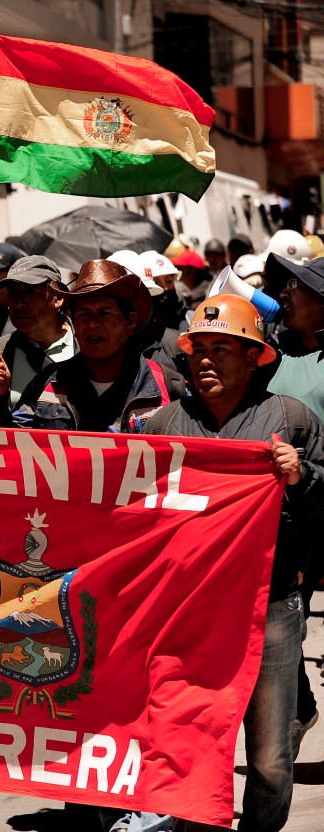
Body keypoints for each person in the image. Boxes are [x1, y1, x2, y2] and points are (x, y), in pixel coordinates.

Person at [105, 294, 324, 832]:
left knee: (270, 756)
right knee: (191, 743)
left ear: (253, 357)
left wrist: (303, 478)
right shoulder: (162, 429)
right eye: (197, 349)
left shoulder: (292, 421)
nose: (204, 359)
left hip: (270, 610)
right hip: (186, 614)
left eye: (221, 348)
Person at [0, 260, 184, 432]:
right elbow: (9, 451)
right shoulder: (45, 386)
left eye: (105, 313)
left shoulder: (169, 386)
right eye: (84, 314)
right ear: (73, 321)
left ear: (130, 322)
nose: (92, 324)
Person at [264, 253, 324, 750]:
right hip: (291, 512)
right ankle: (300, 707)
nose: (285, 294)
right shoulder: (273, 352)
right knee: (286, 621)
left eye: (297, 289)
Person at [0, 255, 76, 413]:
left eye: (30, 292)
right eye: (13, 293)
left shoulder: (87, 346)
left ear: (58, 298)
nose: (19, 303)